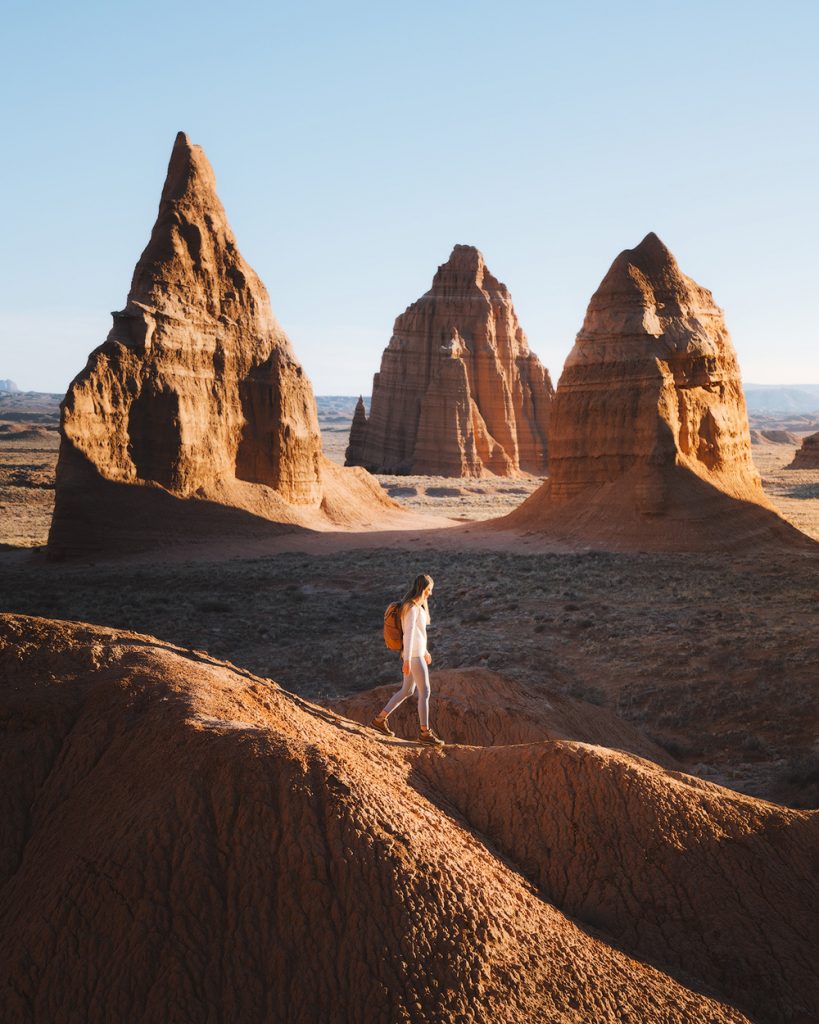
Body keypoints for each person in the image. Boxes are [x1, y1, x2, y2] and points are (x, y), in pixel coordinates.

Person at [371, 573, 444, 746]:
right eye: (429, 590)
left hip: (417, 653)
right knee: (424, 692)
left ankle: (379, 720)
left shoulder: (415, 607)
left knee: (407, 691)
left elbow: (422, 628)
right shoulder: (410, 608)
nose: (431, 594)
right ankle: (425, 733)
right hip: (413, 656)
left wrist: (425, 650)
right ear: (423, 589)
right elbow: (409, 636)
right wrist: (408, 661)